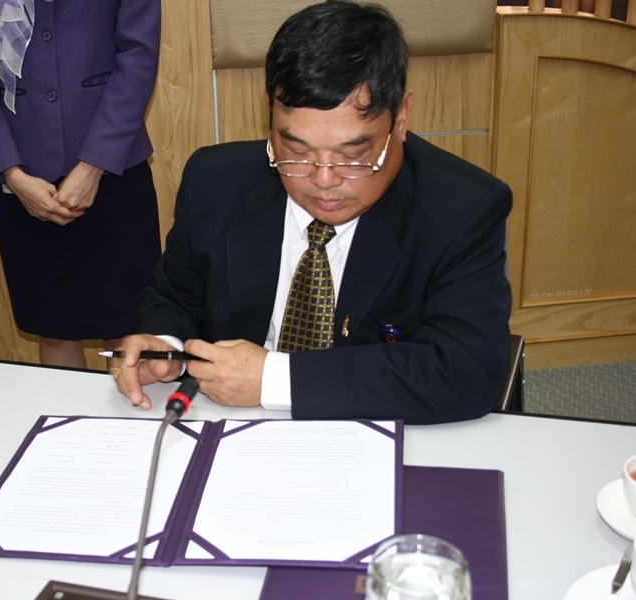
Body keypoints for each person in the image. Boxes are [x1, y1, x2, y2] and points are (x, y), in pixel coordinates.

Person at [111, 0, 512, 425]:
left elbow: (465, 371)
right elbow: (175, 297)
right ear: (269, 110)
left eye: (352, 156)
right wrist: (164, 343)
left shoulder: (462, 209)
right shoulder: (214, 181)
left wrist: (275, 380)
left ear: (401, 118)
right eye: (297, 151)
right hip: (226, 425)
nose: (323, 179)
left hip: (375, 434)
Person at [0, 0, 162, 367]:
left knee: (127, 330)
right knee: (54, 330)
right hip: (23, 174)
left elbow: (139, 53)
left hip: (114, 159)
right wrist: (11, 173)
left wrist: (94, 165)